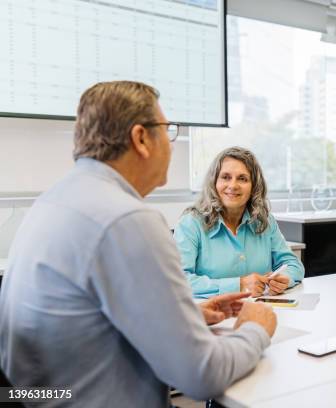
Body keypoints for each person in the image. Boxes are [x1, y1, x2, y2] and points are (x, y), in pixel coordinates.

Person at [0, 81, 277, 408]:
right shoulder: (127, 219)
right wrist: (256, 330)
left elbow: (84, 325)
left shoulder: (52, 202)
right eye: (167, 130)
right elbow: (201, 375)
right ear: (141, 139)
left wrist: (183, 317)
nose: (172, 145)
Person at [174, 147, 305, 298]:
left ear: (254, 186)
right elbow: (178, 281)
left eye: (242, 178)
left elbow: (293, 264)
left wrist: (285, 278)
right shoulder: (191, 223)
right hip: (211, 316)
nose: (233, 185)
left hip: (261, 312)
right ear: (214, 182)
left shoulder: (265, 220)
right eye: (226, 177)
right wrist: (239, 285)